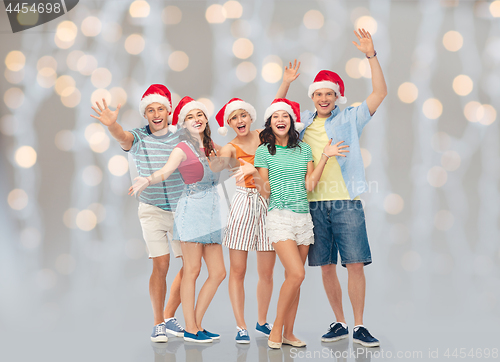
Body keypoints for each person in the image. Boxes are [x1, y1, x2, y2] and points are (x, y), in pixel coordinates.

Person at [297, 28, 387, 347]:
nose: (323, 99)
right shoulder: (302, 123)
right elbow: (273, 115)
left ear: (337, 97)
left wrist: (370, 55)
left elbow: (379, 93)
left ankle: (360, 325)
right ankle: (339, 321)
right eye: (319, 94)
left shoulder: (351, 118)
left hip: (346, 201)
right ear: (313, 97)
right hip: (313, 204)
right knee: (325, 266)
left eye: (329, 94)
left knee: (355, 263)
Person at [246, 98, 349, 349]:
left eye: (285, 116)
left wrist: (324, 156)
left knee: (295, 279)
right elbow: (265, 190)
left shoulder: (304, 149)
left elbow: (310, 184)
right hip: (279, 216)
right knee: (297, 273)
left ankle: (289, 334)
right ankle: (277, 328)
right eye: (275, 117)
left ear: (292, 121)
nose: (280, 120)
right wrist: (254, 179)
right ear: (269, 123)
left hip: (303, 218)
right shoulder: (263, 151)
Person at [90, 84, 185, 342]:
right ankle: (158, 323)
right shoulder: (139, 137)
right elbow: (122, 137)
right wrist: (111, 125)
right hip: (152, 210)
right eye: (151, 110)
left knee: (191, 265)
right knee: (161, 264)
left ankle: (168, 315)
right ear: (146, 115)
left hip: (181, 209)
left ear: (169, 111)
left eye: (161, 109)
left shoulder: (181, 136)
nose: (156, 114)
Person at [216, 61, 301, 344]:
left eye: (243, 115)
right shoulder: (228, 147)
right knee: (238, 270)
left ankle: (262, 322)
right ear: (228, 123)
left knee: (266, 271)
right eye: (233, 118)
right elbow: (212, 169)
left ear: (251, 117)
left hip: (269, 203)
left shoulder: (265, 137)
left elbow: (278, 108)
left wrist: (286, 81)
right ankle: (241, 326)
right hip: (242, 205)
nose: (239, 121)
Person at [129, 96, 226, 343]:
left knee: (218, 272)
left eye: (200, 115)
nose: (196, 120)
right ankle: (191, 329)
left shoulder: (212, 146)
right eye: (190, 117)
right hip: (191, 211)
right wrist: (148, 179)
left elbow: (229, 167)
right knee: (192, 270)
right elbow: (166, 171)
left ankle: (197, 323)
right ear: (182, 124)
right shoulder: (181, 148)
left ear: (206, 119)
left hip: (212, 214)